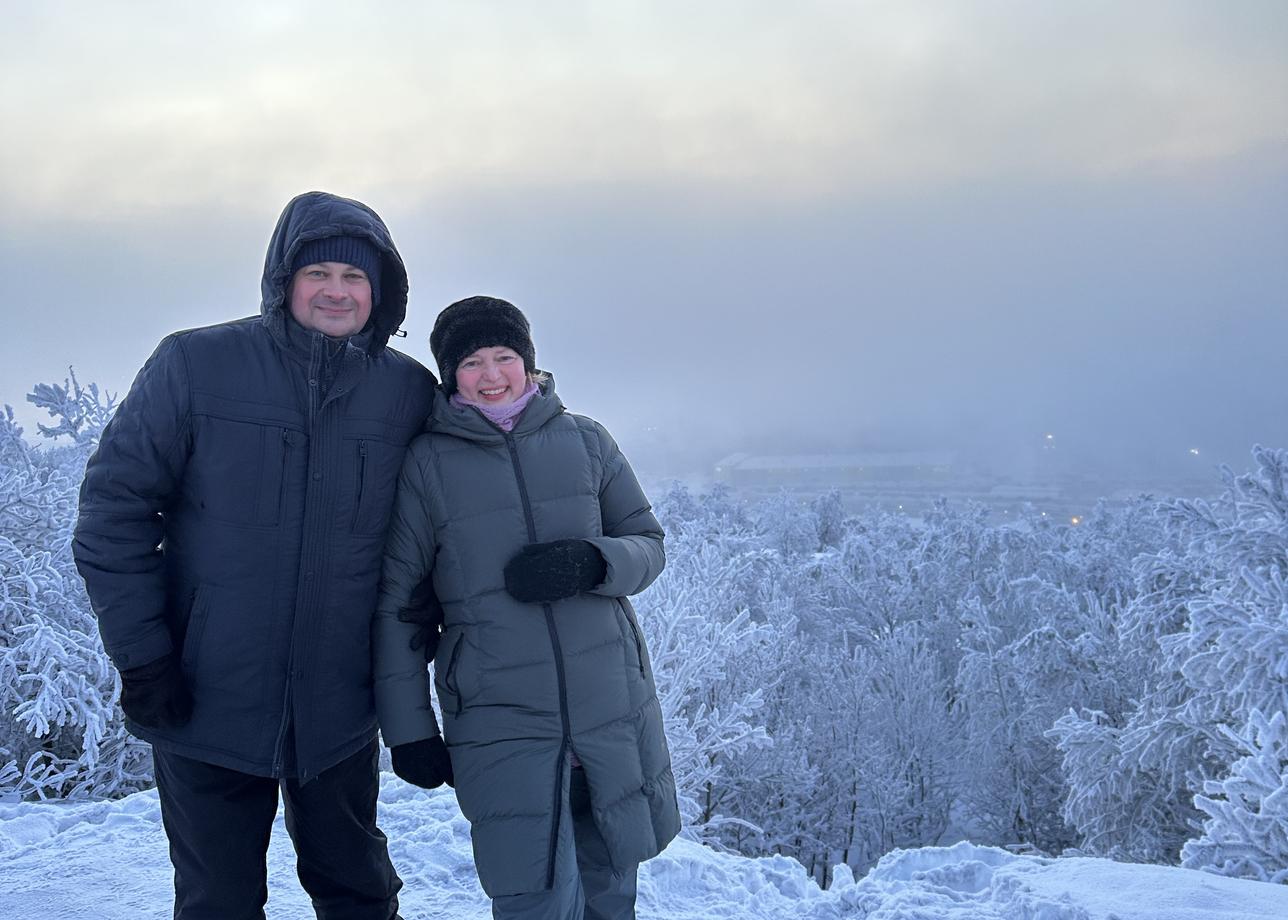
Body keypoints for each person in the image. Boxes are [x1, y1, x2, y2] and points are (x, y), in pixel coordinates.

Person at [72, 191, 437, 919]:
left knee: (360, 893)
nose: (336, 290)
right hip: (206, 701)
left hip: (338, 707)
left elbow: (448, 514)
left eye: (356, 277)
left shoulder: (407, 393)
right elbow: (112, 514)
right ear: (284, 280)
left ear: (382, 291)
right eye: (319, 272)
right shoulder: (196, 365)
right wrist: (144, 658)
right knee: (219, 901)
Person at [373, 296, 680, 920]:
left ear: (529, 362)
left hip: (609, 703)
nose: (491, 376)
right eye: (472, 363)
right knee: (531, 891)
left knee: (610, 880)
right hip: (499, 715)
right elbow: (400, 610)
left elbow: (648, 546)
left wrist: (594, 562)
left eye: (504, 356)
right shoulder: (427, 464)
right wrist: (410, 732)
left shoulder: (587, 442)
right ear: (449, 375)